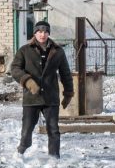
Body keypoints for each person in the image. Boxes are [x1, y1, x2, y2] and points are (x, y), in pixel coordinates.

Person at [9, 20, 74, 157]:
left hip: (51, 97)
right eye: (39, 31)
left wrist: (68, 92)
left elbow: (65, 73)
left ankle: (54, 157)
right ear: (35, 33)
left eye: (45, 32)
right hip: (31, 97)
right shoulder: (25, 50)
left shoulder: (58, 51)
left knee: (54, 130)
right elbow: (15, 69)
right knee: (27, 130)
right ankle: (21, 150)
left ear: (48, 33)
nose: (42, 34)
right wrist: (28, 81)